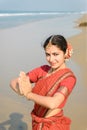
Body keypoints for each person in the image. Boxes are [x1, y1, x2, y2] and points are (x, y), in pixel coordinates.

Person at [10, 35, 76, 130]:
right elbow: (13, 82)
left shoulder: (68, 78)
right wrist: (22, 90)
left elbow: (53, 103)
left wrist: (28, 94)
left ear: (65, 53)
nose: (51, 59)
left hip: (53, 125)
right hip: (37, 122)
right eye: (48, 54)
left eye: (55, 54)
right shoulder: (42, 70)